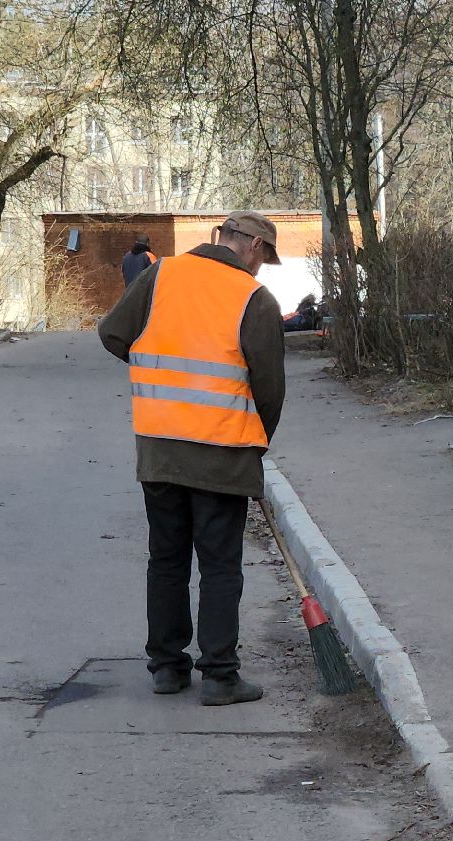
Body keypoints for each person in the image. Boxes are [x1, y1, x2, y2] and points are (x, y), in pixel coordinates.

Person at [97, 211, 286, 705]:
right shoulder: (254, 298)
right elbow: (269, 388)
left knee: (167, 558)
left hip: (159, 447)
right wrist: (257, 441)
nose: (261, 267)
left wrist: (155, 374)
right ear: (254, 246)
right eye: (265, 257)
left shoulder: (161, 274)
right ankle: (220, 676)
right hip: (222, 453)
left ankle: (167, 667)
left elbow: (113, 333)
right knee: (220, 566)